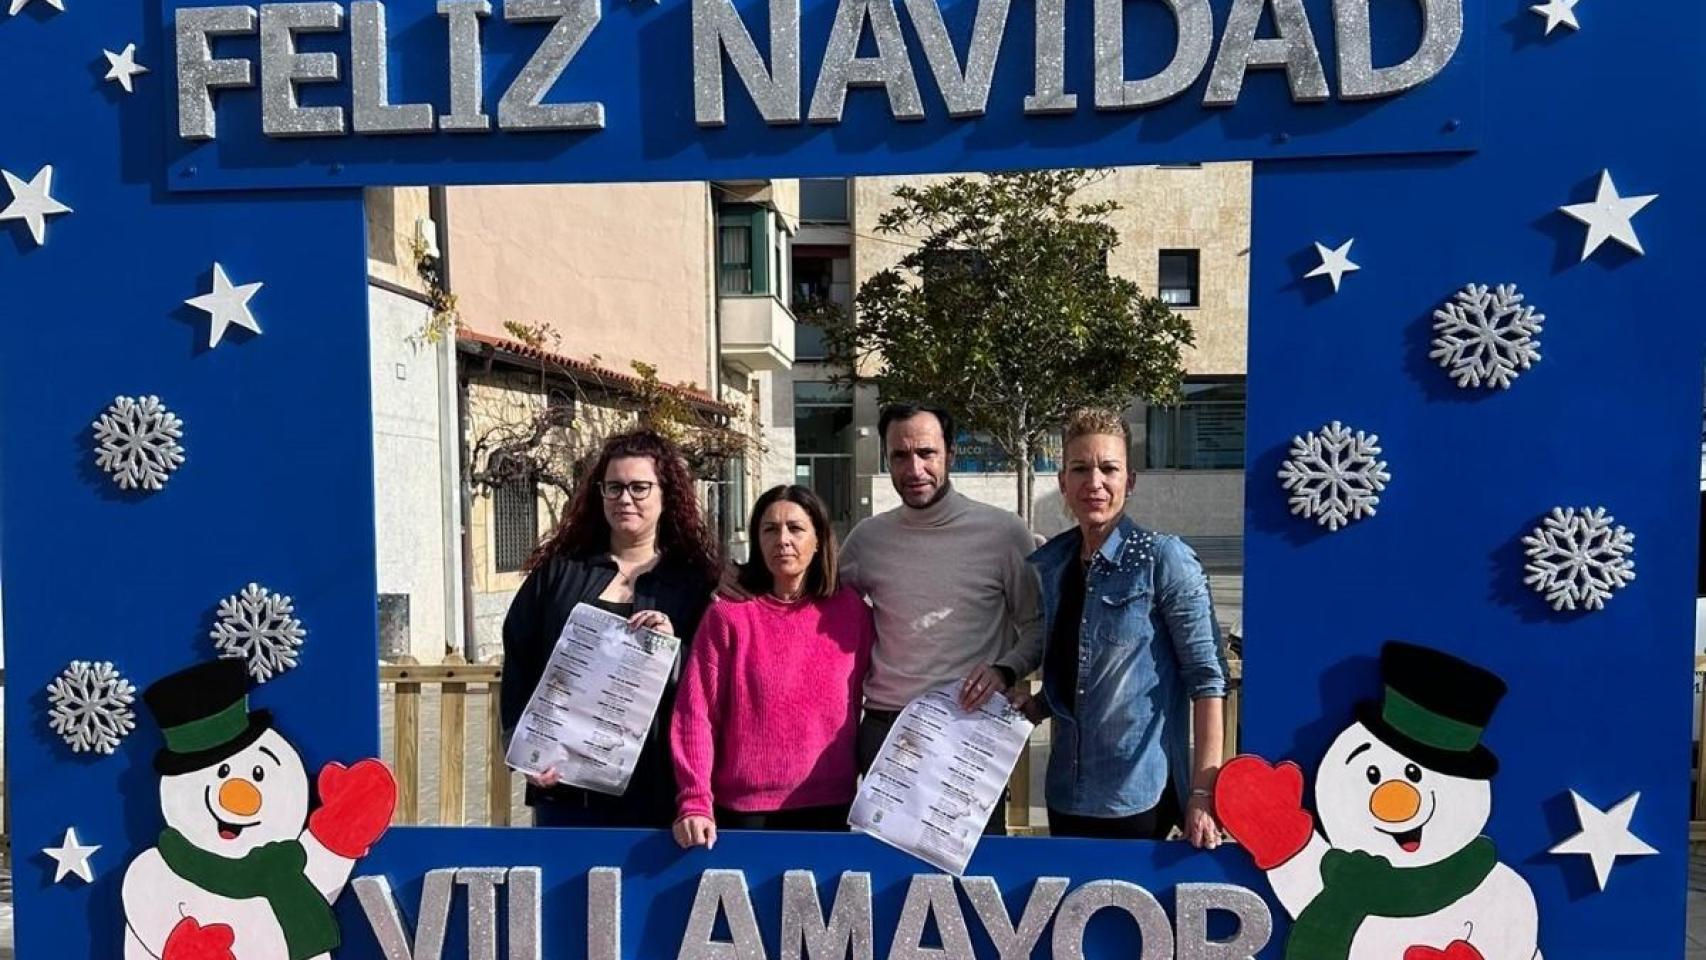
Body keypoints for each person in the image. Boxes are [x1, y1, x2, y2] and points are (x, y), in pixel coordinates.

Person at [1013, 408, 1228, 844]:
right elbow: (1076, 673)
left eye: (1109, 468)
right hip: (1065, 793)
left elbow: (1208, 680)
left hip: (1136, 796)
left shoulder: (1164, 559)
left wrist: (1203, 794)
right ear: (1063, 484)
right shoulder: (1055, 565)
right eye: (1080, 469)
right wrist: (1036, 706)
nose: (1095, 482)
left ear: (1129, 482)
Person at [840, 402, 1045, 836]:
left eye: (926, 453)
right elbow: (811, 601)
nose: (914, 468)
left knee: (973, 882)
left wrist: (1004, 670)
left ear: (950, 453)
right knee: (886, 882)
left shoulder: (1004, 533)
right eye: (899, 455)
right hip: (887, 730)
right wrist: (739, 580)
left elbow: (1036, 626)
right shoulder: (866, 540)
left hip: (968, 731)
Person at [500, 429, 720, 828]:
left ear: (665, 494)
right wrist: (525, 745)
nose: (625, 499)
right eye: (614, 487)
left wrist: (673, 651)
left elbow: (711, 678)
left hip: (656, 783)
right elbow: (520, 656)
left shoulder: (694, 583)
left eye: (640, 487)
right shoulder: (560, 573)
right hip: (564, 782)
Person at [670, 486, 875, 849]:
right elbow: (695, 712)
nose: (782, 540)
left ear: (819, 539)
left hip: (830, 806)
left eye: (795, 528)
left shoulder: (853, 614)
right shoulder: (728, 615)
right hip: (743, 812)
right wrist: (694, 800)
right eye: (770, 529)